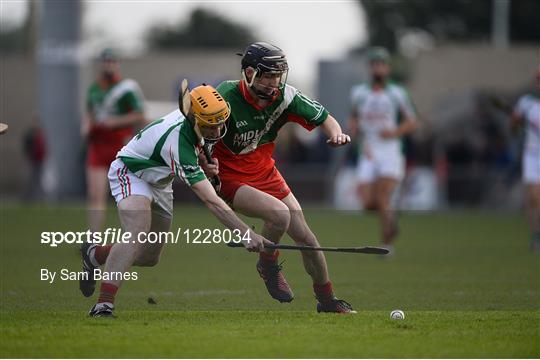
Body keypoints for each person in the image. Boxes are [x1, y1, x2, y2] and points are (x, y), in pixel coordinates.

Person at [82, 84, 270, 317]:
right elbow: (210, 200)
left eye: (221, 122)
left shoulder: (199, 123)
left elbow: (198, 147)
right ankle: (104, 304)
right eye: (211, 125)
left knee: (150, 257)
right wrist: (244, 232)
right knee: (137, 232)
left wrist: (203, 162)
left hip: (161, 180)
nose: (218, 129)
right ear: (194, 118)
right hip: (131, 171)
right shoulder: (178, 141)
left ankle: (93, 254)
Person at [210, 42, 355, 313]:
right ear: (250, 73)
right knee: (279, 215)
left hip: (265, 172)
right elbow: (199, 134)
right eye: (268, 75)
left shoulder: (285, 97)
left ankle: (327, 301)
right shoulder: (225, 95)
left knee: (308, 241)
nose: (274, 82)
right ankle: (267, 264)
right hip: (229, 176)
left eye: (278, 75)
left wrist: (335, 133)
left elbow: (326, 118)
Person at [348, 47, 418, 255]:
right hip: (368, 151)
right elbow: (353, 117)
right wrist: (353, 127)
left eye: (381, 64)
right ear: (370, 68)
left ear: (387, 68)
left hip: (391, 151)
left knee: (383, 198)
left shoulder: (397, 92)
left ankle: (386, 244)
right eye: (374, 64)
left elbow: (413, 122)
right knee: (368, 204)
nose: (378, 67)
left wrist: (395, 131)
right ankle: (391, 218)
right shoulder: (359, 92)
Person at [81, 48, 146, 235]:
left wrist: (115, 122)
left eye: (112, 61)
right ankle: (93, 239)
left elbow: (140, 115)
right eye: (105, 61)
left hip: (120, 146)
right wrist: (85, 125)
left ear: (117, 64)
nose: (108, 64)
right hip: (97, 145)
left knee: (126, 196)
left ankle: (131, 235)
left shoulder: (127, 88)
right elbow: (90, 113)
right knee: (95, 195)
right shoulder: (94, 88)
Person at [511, 67, 540, 251]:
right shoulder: (526, 102)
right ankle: (536, 235)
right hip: (532, 154)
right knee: (533, 198)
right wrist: (516, 124)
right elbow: (513, 127)